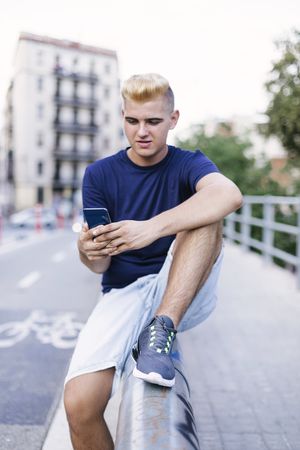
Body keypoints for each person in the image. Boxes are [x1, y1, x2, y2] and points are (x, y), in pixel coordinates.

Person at [64, 73, 243, 450]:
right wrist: (88, 252)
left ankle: (161, 329)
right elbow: (99, 267)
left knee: (208, 212)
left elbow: (229, 194)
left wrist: (152, 229)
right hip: (122, 292)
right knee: (79, 404)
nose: (142, 132)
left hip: (179, 286)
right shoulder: (99, 174)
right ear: (123, 116)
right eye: (132, 121)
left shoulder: (188, 163)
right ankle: (150, 334)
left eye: (153, 121)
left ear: (173, 119)